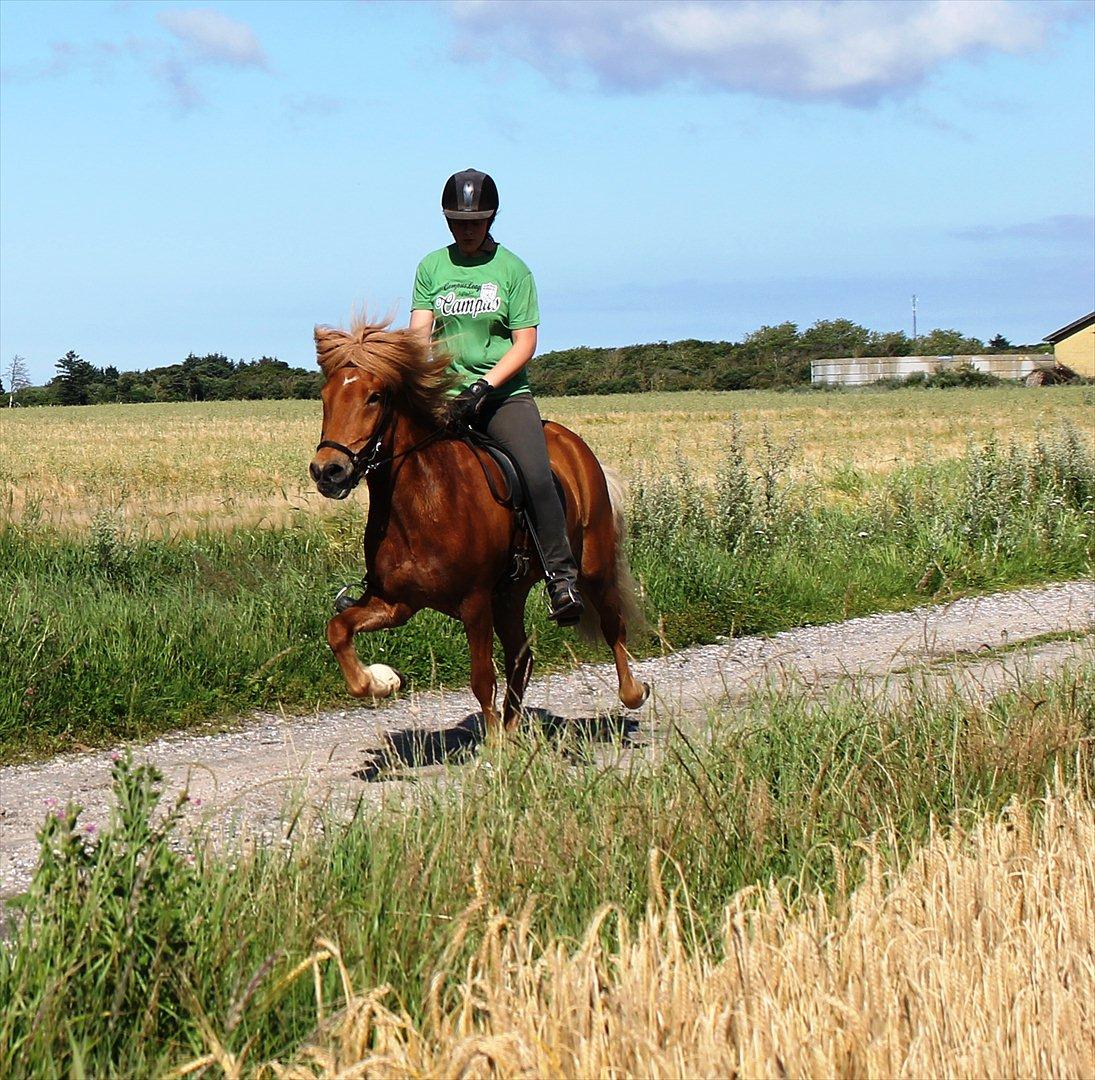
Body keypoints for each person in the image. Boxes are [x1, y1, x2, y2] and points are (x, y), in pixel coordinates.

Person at [409, 168, 584, 626]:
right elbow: (418, 336)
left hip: (503, 396)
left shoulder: (513, 270)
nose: (467, 230)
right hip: (446, 397)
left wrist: (485, 385)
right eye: (458, 222)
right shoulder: (431, 267)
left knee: (536, 474)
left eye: (476, 221)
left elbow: (525, 342)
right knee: (397, 464)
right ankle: (388, 575)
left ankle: (561, 578)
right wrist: (423, 385)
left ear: (491, 219)